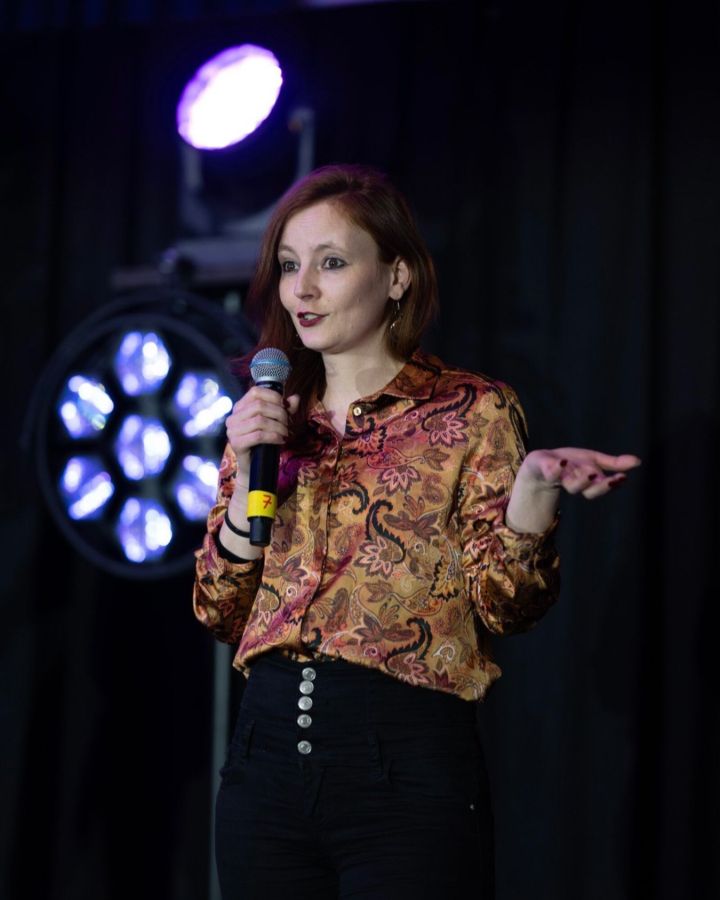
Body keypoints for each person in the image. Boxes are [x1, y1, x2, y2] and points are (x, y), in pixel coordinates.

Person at [193, 164, 640, 899]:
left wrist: (532, 492)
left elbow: (508, 606)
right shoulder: (266, 417)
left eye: (331, 263)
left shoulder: (472, 411)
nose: (301, 289)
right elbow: (217, 609)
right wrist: (248, 473)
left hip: (404, 769)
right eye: (288, 265)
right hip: (263, 764)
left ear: (397, 276)